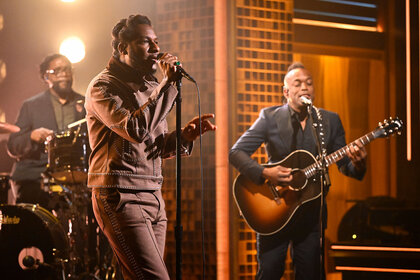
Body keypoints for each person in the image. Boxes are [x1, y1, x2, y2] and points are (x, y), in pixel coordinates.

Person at [84, 14, 216, 280]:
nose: (157, 49)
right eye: (146, 42)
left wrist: (185, 137)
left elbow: (153, 146)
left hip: (154, 195)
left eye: (156, 42)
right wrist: (168, 86)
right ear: (123, 48)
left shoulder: (151, 87)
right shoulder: (103, 87)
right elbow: (134, 130)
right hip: (120, 195)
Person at [229, 62, 367, 280]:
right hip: (274, 211)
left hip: (311, 217)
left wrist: (358, 163)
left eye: (309, 83)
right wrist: (266, 173)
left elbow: (345, 167)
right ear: (286, 92)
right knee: (270, 273)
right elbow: (236, 153)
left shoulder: (329, 121)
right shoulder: (269, 118)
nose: (305, 87)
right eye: (298, 83)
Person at [7, 53, 85, 210]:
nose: (63, 74)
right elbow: (13, 145)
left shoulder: (86, 104)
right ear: (45, 77)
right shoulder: (31, 106)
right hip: (36, 176)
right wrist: (31, 136)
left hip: (76, 176)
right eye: (57, 71)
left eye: (67, 69)